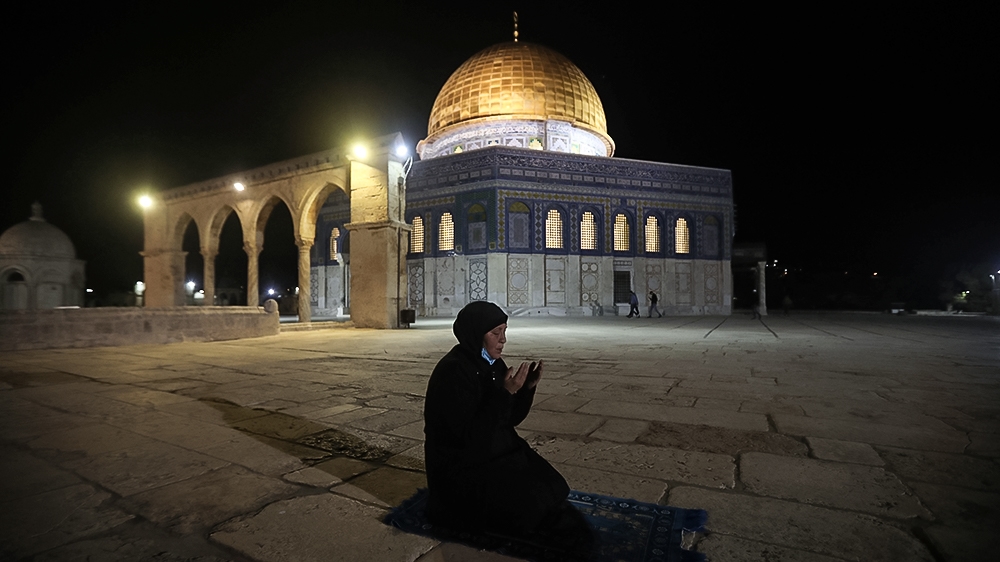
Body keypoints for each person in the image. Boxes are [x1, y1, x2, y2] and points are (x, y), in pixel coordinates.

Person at [423, 301, 589, 550]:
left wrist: (525, 391)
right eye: (495, 333)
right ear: (476, 333)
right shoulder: (453, 371)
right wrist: (504, 395)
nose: (503, 340)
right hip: (459, 464)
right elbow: (467, 436)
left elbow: (509, 419)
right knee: (528, 508)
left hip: (490, 449)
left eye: (504, 331)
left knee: (553, 485)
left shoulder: (492, 364)